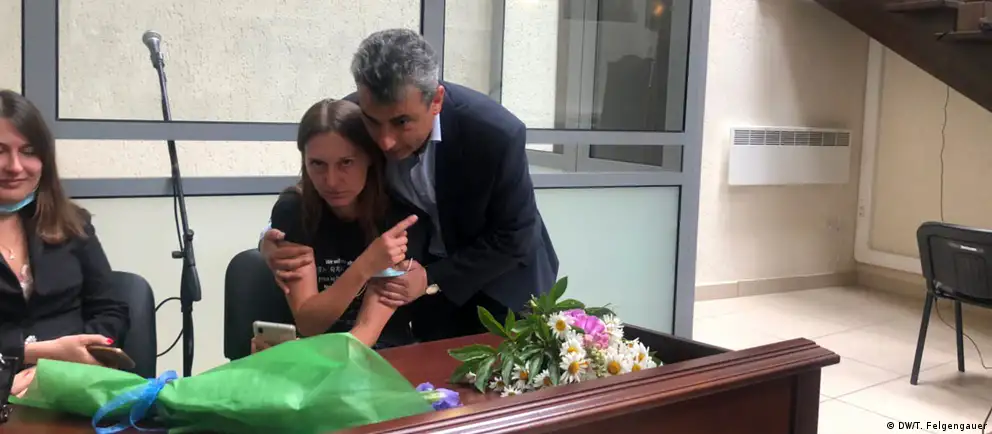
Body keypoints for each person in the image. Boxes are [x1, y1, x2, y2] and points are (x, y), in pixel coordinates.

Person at [262, 29, 559, 341]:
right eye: (373, 122)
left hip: (502, 282)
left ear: (436, 101)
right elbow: (320, 180)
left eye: (402, 122)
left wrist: (432, 276)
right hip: (419, 286)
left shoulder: (494, 133)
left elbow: (516, 235)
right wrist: (269, 241)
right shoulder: (356, 117)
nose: (385, 141)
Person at [255, 98, 429, 351]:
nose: (332, 181)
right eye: (317, 164)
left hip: (381, 353)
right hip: (314, 348)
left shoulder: (398, 217)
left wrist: (308, 358)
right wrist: (366, 265)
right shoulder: (294, 211)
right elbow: (309, 323)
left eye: (346, 162)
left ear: (370, 157)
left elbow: (365, 332)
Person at [0, 90, 130, 376]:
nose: (15, 167)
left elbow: (110, 310)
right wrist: (30, 356)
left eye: (28, 151)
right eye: (0, 151)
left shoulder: (71, 222)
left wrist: (80, 360)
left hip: (73, 378)